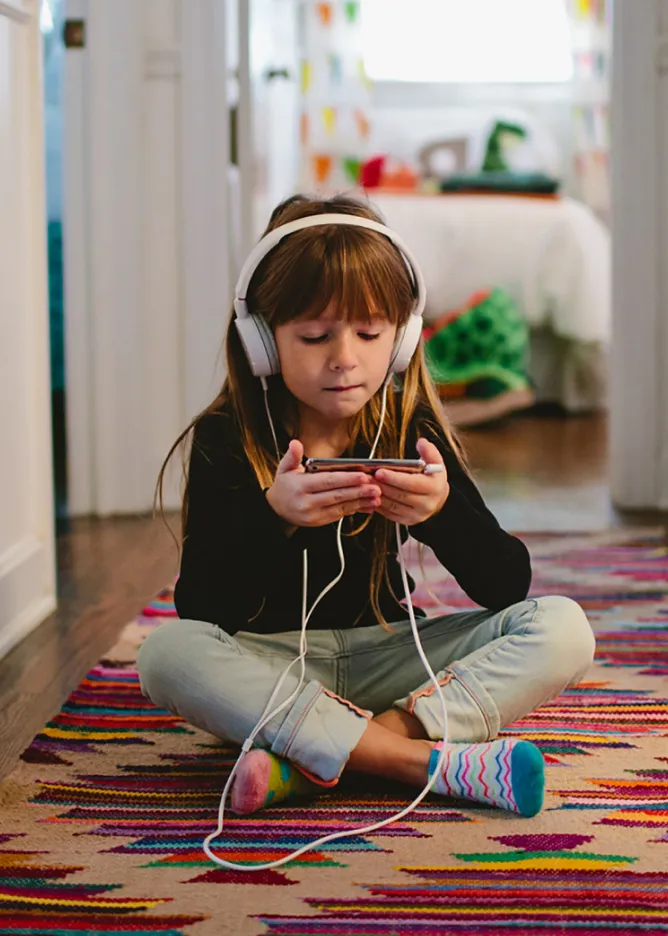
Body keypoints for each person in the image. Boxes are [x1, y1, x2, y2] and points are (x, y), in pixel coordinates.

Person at [137, 193, 595, 819]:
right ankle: (413, 761)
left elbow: (506, 583)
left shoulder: (412, 425)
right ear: (263, 341)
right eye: (315, 335)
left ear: (402, 339)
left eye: (370, 332)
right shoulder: (228, 434)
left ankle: (319, 761)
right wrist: (276, 518)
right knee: (166, 655)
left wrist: (440, 514)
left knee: (563, 626)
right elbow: (204, 608)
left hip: (389, 657)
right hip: (276, 668)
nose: (345, 358)